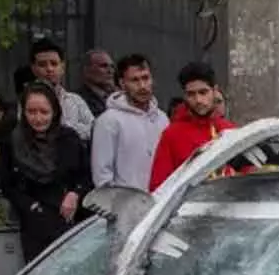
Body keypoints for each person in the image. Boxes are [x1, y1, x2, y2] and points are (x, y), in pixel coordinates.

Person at [0, 82, 91, 262]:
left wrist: (75, 194)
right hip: (32, 224)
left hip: (68, 219)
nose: (38, 118)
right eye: (31, 112)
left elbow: (85, 174)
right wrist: (32, 207)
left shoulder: (69, 138)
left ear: (54, 112)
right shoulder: (12, 142)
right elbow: (7, 183)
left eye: (44, 112)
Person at [148, 62, 237, 191]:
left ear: (215, 91)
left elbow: (248, 175)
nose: (198, 100)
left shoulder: (230, 131)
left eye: (203, 92)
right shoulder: (171, 135)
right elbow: (158, 189)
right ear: (184, 96)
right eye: (191, 94)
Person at [90, 54, 169, 191]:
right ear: (122, 83)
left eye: (145, 78)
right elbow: (102, 175)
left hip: (161, 204)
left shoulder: (163, 119)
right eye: (135, 80)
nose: (142, 86)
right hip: (124, 207)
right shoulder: (108, 121)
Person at [28, 38, 95, 140]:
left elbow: (94, 131)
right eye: (42, 65)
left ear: (62, 67)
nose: (49, 69)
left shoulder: (75, 101)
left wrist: (64, 129)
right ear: (33, 69)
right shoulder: (25, 101)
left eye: (54, 64)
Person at [76, 48, 115, 119]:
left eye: (112, 66)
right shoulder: (76, 100)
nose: (110, 71)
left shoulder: (118, 97)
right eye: (103, 66)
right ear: (87, 70)